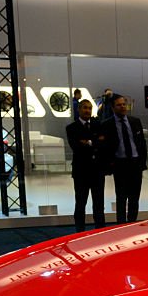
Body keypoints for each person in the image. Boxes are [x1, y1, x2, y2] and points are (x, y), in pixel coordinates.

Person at [100, 94, 147, 224]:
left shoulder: (135, 121)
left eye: (123, 104)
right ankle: (121, 226)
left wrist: (142, 162)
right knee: (121, 198)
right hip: (120, 165)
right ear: (112, 107)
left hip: (135, 164)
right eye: (119, 105)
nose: (122, 107)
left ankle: (132, 224)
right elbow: (105, 148)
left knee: (134, 198)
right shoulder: (106, 124)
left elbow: (142, 144)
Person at [66, 99, 108, 232]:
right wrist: (95, 142)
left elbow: (103, 144)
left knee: (99, 204)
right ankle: (79, 232)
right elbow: (77, 147)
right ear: (79, 109)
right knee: (80, 204)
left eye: (90, 108)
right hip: (81, 172)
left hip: (97, 171)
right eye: (84, 108)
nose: (87, 111)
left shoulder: (98, 125)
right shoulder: (71, 128)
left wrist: (88, 142)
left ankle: (100, 232)